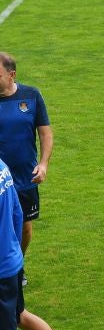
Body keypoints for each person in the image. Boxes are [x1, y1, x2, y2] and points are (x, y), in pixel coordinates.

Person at [0, 53, 53, 288]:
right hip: (0, 180)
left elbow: (45, 132)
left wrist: (43, 164)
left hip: (24, 178)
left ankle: (17, 267)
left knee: (24, 227)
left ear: (11, 75)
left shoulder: (31, 96)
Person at [0, 156, 59, 330]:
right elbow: (17, 213)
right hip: (12, 262)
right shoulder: (2, 166)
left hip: (2, 270)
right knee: (21, 316)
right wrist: (16, 253)